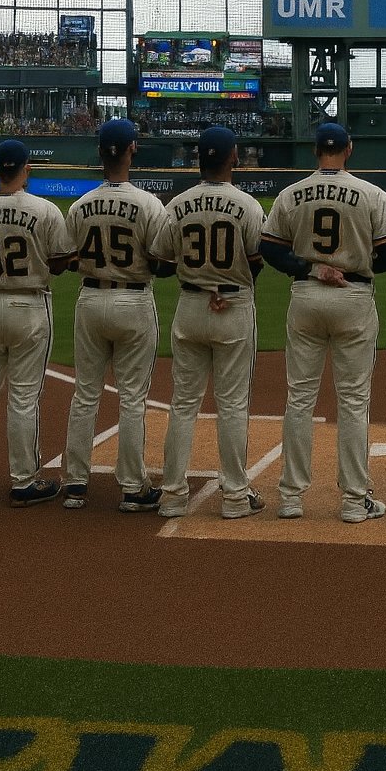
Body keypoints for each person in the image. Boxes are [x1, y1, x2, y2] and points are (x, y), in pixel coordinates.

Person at [259, 122, 386, 523]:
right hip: (354, 298)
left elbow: (269, 249)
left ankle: (290, 497)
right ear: (349, 149)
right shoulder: (372, 194)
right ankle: (355, 501)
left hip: (305, 297)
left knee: (299, 400)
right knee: (353, 401)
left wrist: (311, 266)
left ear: (314, 151)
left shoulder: (291, 193)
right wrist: (354, 266)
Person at [150, 126, 265, 520]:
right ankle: (235, 496)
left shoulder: (175, 205)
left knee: (183, 404)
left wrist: (200, 280)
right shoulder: (247, 205)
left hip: (190, 306)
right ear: (233, 157)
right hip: (232, 306)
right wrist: (224, 284)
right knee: (232, 405)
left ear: (198, 159)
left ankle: (173, 496)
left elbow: (162, 264)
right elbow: (256, 261)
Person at [0, 138, 75, 506]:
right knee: (23, 398)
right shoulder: (45, 210)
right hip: (28, 306)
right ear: (25, 168)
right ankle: (24, 480)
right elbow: (59, 263)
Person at [61, 119, 166, 513]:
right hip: (134, 301)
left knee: (85, 394)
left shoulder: (80, 204)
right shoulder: (149, 204)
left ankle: (74, 485)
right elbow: (160, 261)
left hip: (90, 299)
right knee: (132, 398)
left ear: (100, 152)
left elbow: (69, 259)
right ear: (131, 149)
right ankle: (133, 488)